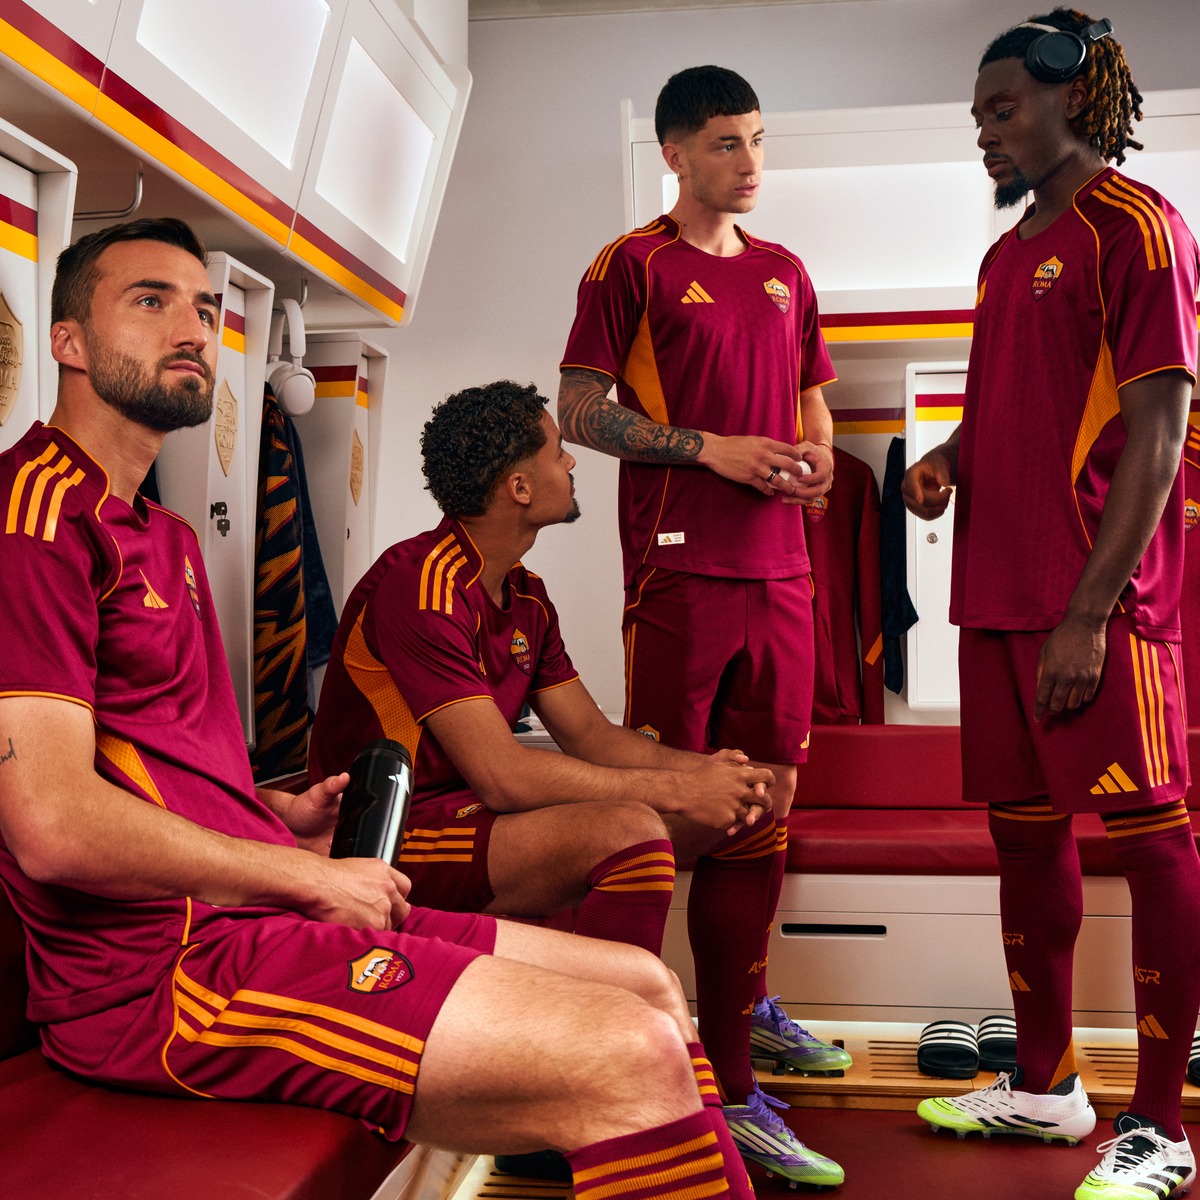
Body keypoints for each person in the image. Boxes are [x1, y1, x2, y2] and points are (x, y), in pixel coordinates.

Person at [0, 216, 761, 1200]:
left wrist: (275, 815)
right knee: (627, 1051)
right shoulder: (34, 521)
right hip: (158, 980)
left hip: (252, 916)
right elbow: (52, 825)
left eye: (203, 307)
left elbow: (150, 766)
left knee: (650, 991)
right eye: (149, 301)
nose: (190, 329)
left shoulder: (169, 537)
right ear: (67, 340)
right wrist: (302, 876)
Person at [902, 12, 1200, 1199]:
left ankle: (1161, 1126)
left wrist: (1089, 611)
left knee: (1155, 846)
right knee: (1024, 843)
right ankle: (1045, 1087)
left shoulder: (1139, 227)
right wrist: (948, 456)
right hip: (997, 595)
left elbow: (1160, 432)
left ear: (1075, 97)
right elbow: (1012, 404)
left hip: (1096, 606)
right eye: (978, 114)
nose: (986, 131)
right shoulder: (1005, 254)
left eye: (1004, 108)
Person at [557, 63, 848, 1188]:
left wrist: (819, 460)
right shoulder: (629, 265)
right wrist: (711, 450)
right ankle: (648, 1058)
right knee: (671, 809)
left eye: (759, 140)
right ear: (675, 154)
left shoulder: (787, 272)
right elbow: (579, 411)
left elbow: (812, 401)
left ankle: (740, 1024)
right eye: (728, 142)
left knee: (769, 800)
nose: (751, 162)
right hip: (678, 573)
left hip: (784, 574)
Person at [310, 379, 776, 965]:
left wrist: (711, 774)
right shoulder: (421, 584)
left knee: (751, 813)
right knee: (630, 831)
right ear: (520, 488)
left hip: (476, 814)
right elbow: (503, 777)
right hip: (395, 828)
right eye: (559, 452)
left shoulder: (527, 595)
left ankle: (737, 1029)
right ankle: (614, 1021)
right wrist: (679, 789)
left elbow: (591, 736)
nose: (571, 462)